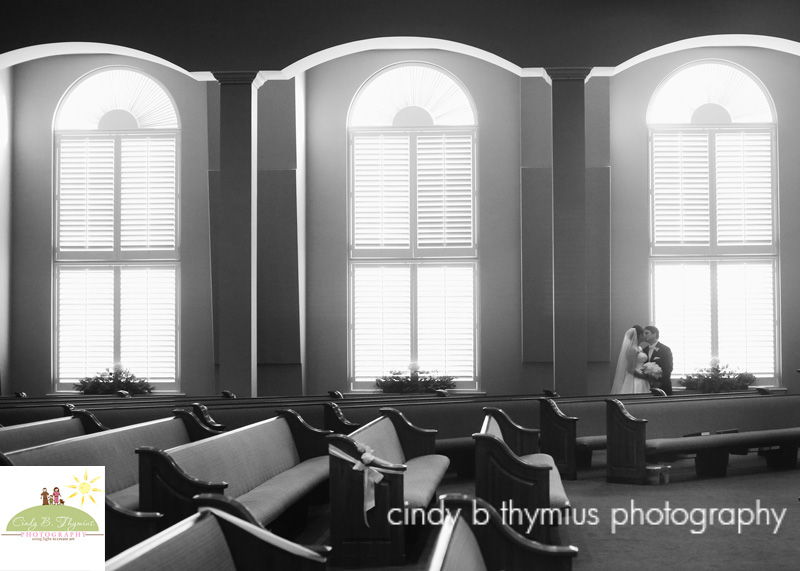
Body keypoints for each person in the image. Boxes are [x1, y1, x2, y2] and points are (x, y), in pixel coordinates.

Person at [610, 325, 649, 394]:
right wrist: (643, 376)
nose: (645, 336)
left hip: (641, 376)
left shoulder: (639, 348)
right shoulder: (632, 349)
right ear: (640, 335)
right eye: (644, 334)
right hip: (635, 378)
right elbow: (630, 369)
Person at [639, 325, 674, 395]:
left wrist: (659, 382)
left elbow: (668, 368)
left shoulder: (665, 349)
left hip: (663, 385)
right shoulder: (644, 350)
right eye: (644, 333)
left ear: (654, 334)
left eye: (647, 333)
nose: (644, 335)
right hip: (648, 386)